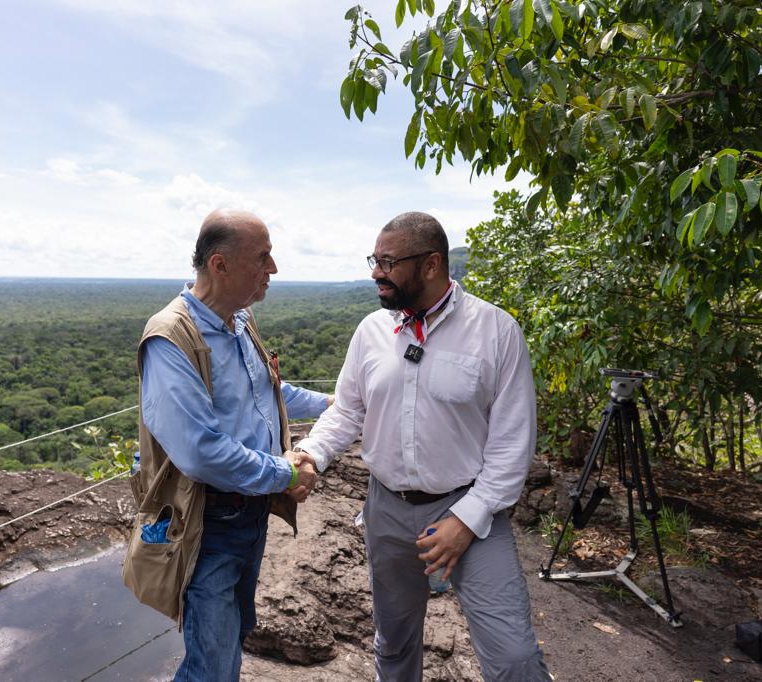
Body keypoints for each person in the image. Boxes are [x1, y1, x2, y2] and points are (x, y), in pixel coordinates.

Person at [293, 212, 551, 681]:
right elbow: (349, 410)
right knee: (394, 643)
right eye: (375, 259)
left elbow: (512, 446)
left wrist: (465, 521)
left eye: (388, 262)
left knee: (513, 657)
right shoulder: (372, 330)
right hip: (386, 509)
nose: (376, 272)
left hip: (471, 508)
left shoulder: (496, 332)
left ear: (431, 264)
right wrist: (311, 453)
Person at [122, 209, 327, 682]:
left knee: (230, 641)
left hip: (249, 514)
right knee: (211, 664)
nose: (272, 268)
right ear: (220, 265)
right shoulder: (171, 338)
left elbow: (269, 392)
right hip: (206, 524)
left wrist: (333, 402)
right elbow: (200, 452)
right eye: (263, 257)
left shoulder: (239, 320)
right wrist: (287, 473)